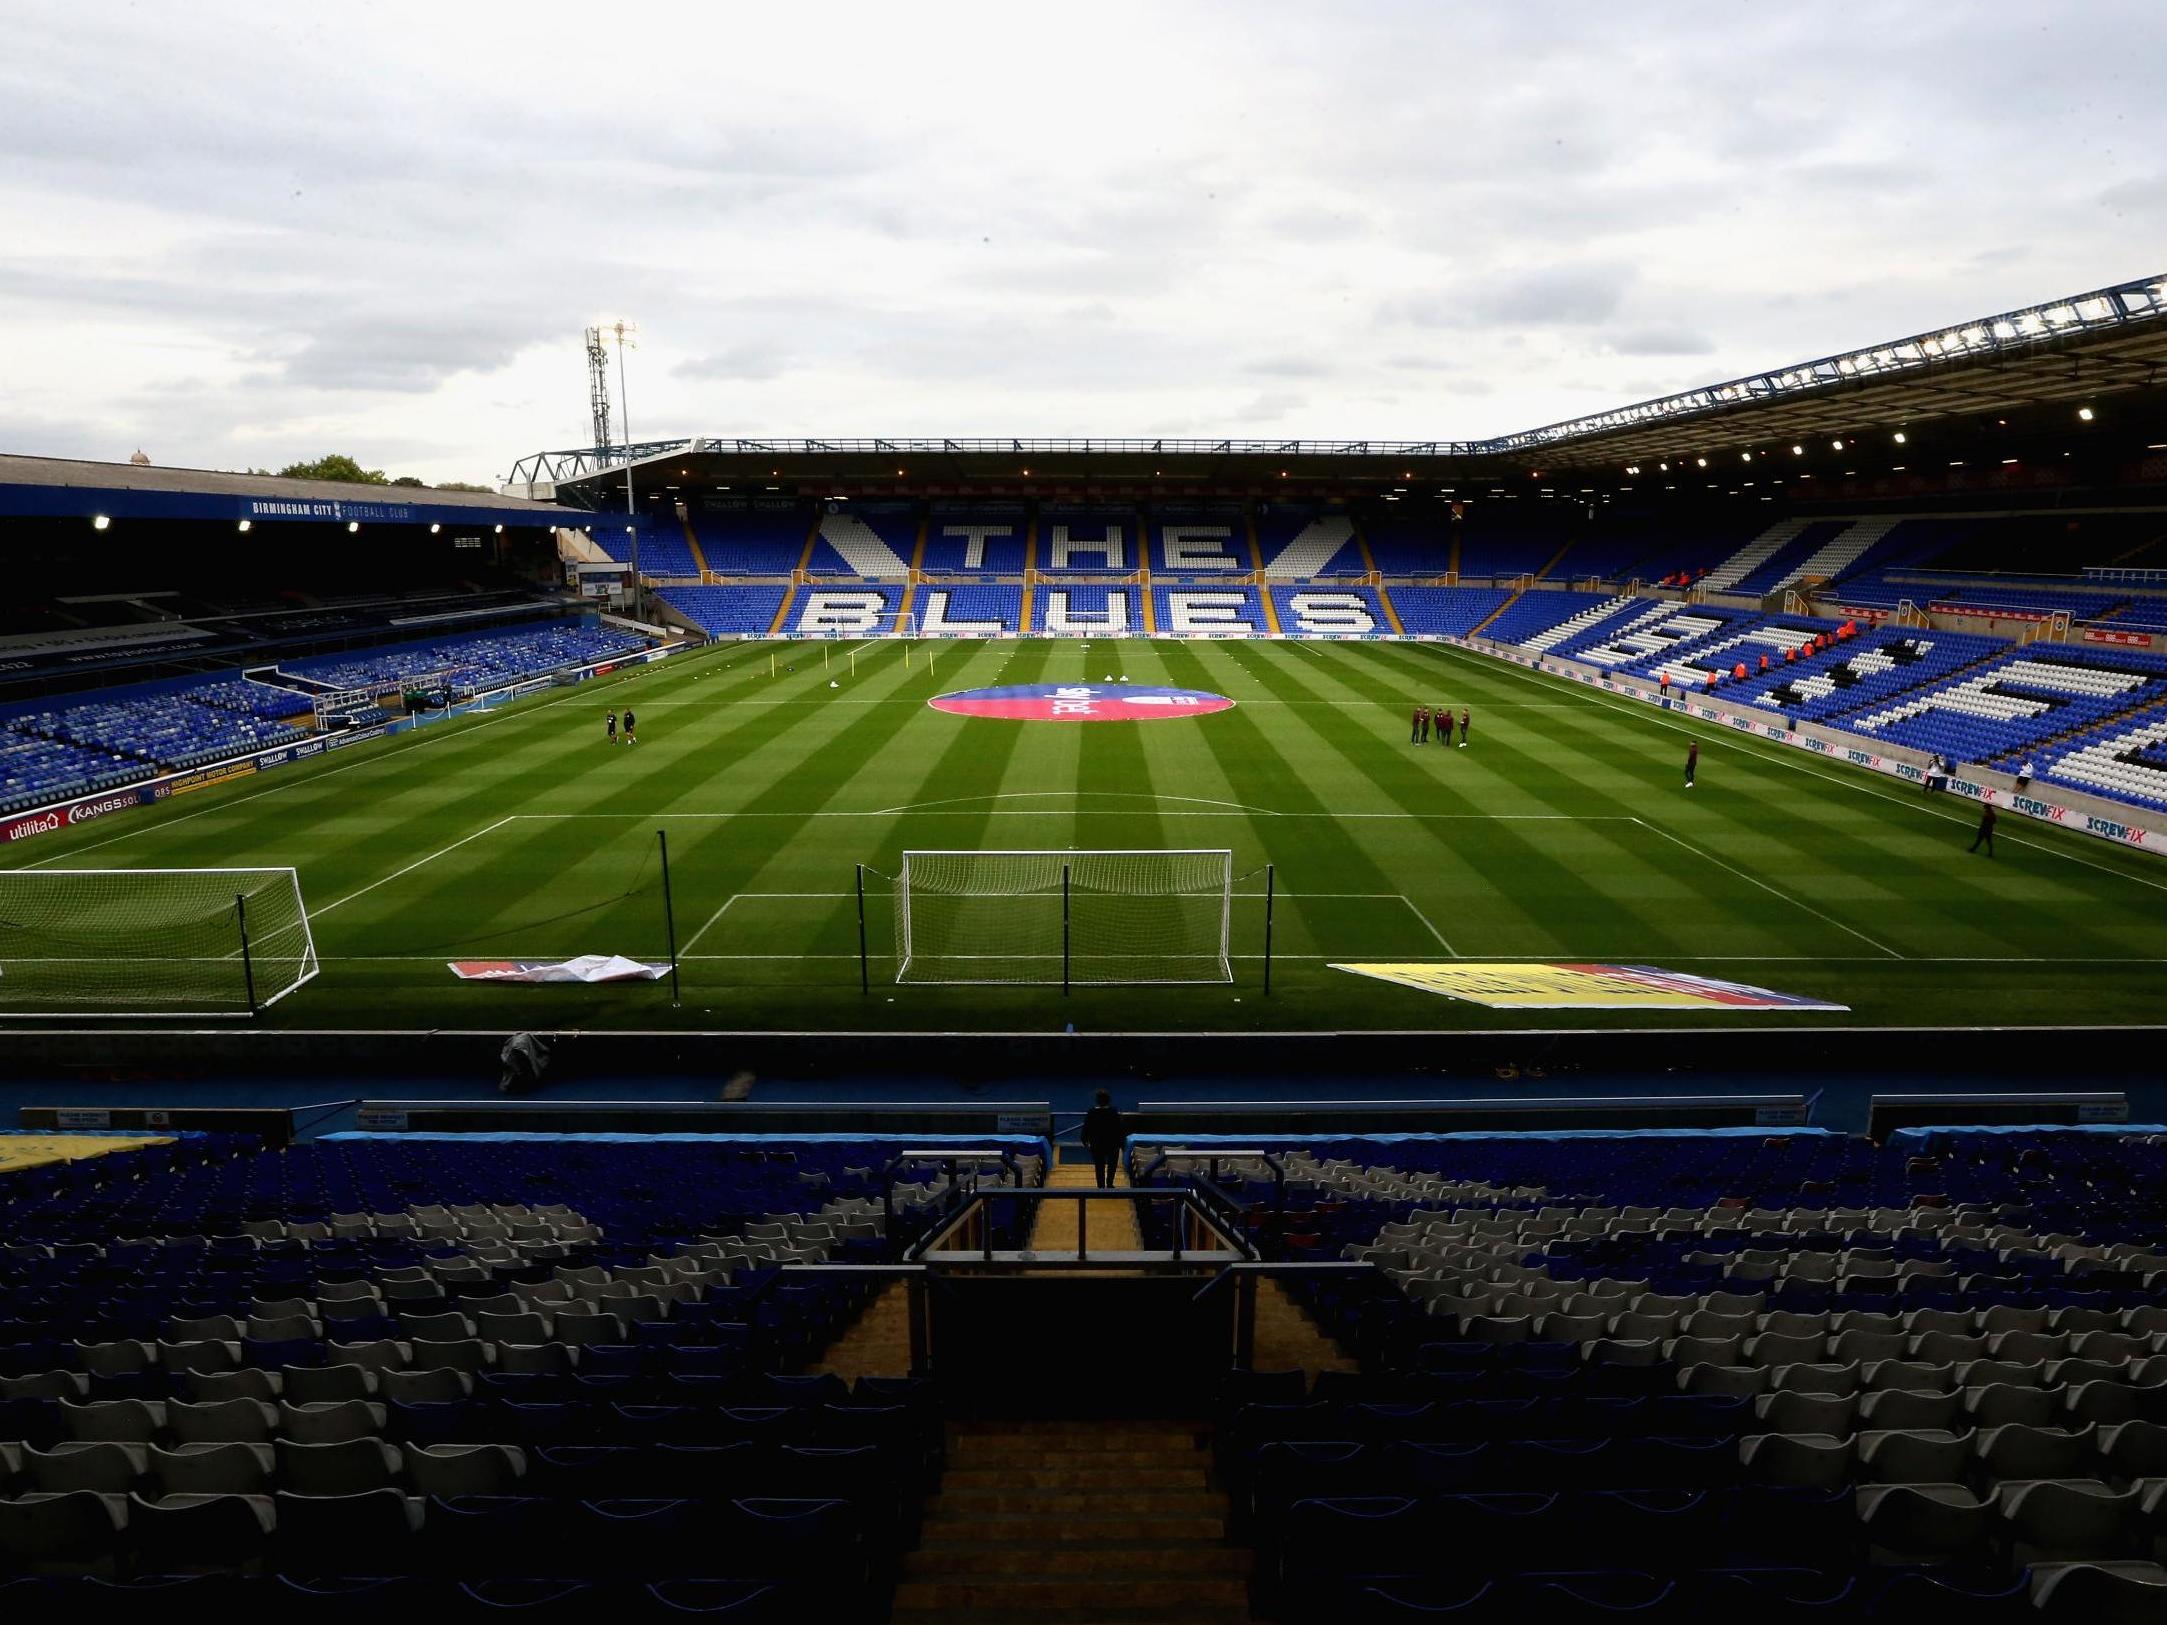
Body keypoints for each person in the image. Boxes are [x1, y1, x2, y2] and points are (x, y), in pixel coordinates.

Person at [1080, 1089, 1126, 1187]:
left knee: (1099, 1166)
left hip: (1097, 1144)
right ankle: (1109, 1184)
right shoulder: (1113, 1112)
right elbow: (1120, 1129)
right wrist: (1121, 1144)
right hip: (1112, 1144)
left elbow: (1086, 1128)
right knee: (1112, 1165)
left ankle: (1100, 1185)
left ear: (1097, 1100)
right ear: (1109, 1100)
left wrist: (1085, 1141)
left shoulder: (1092, 1112)